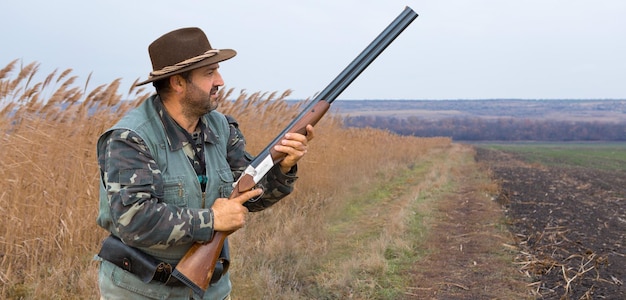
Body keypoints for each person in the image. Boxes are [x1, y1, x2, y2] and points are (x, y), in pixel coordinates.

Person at [95, 27, 314, 300]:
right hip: (140, 292)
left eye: (217, 71)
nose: (220, 81)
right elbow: (135, 221)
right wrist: (211, 221)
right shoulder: (130, 138)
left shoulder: (221, 128)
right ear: (178, 82)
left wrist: (283, 168)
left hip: (209, 290)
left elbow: (249, 194)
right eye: (209, 73)